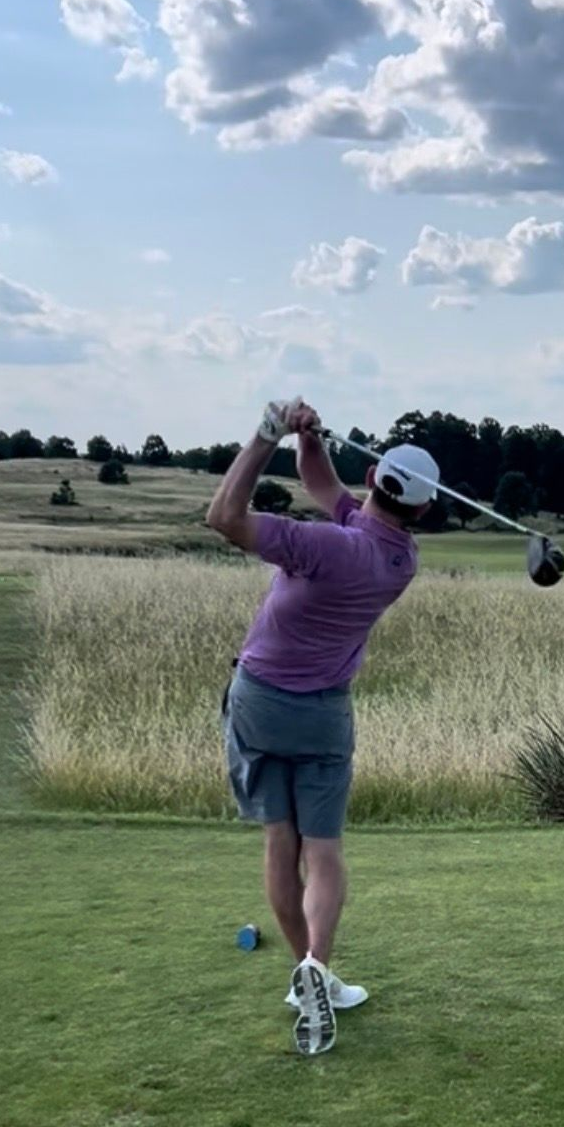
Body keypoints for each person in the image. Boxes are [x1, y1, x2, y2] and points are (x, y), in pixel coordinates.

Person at [206, 398, 439, 1056]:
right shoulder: (400, 558)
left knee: (280, 843)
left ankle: (307, 969)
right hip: (323, 716)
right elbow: (324, 486)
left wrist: (266, 435)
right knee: (325, 851)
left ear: (373, 480)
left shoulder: (323, 545)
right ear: (421, 509)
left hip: (259, 702)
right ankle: (317, 970)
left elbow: (223, 517)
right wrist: (310, 440)